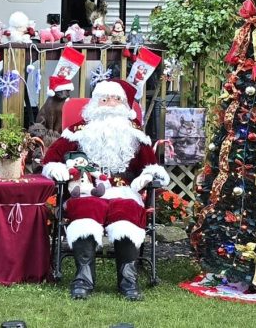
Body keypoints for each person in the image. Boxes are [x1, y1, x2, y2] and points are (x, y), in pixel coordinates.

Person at [42, 79, 169, 301]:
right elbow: (51, 157)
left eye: (116, 99)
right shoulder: (77, 131)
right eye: (104, 99)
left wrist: (147, 175)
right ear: (95, 103)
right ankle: (83, 279)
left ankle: (128, 281)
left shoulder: (136, 133)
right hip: (86, 189)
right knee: (85, 208)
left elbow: (151, 164)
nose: (110, 103)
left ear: (124, 104)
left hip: (124, 190)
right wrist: (57, 169)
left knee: (127, 210)